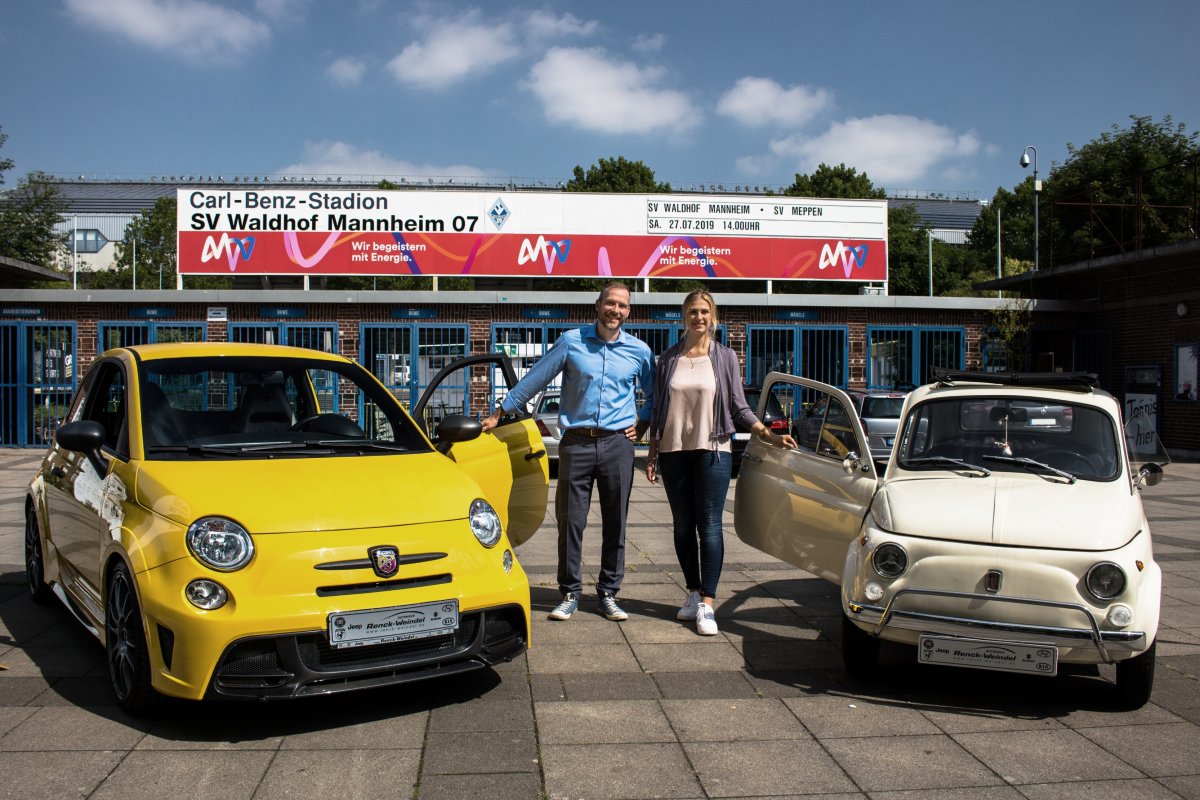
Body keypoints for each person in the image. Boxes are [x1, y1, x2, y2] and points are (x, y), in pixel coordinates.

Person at [482, 282, 654, 622]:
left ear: (628, 311)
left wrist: (645, 423)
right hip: (576, 443)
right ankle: (570, 592)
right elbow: (537, 378)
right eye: (610, 303)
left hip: (618, 444)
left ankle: (608, 592)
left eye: (622, 306)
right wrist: (501, 412)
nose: (615, 310)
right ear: (598, 305)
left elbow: (655, 394)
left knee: (615, 522)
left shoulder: (640, 351)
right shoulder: (571, 341)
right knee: (571, 520)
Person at [646, 289, 796, 635]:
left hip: (713, 449)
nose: (698, 317)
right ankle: (692, 592)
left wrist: (766, 433)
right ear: (683, 316)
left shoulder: (725, 357)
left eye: (704, 312)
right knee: (682, 525)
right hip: (673, 451)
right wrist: (652, 452)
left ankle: (708, 605)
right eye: (692, 312)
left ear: (712, 317)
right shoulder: (667, 359)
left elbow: (738, 405)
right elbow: (657, 409)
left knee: (709, 525)